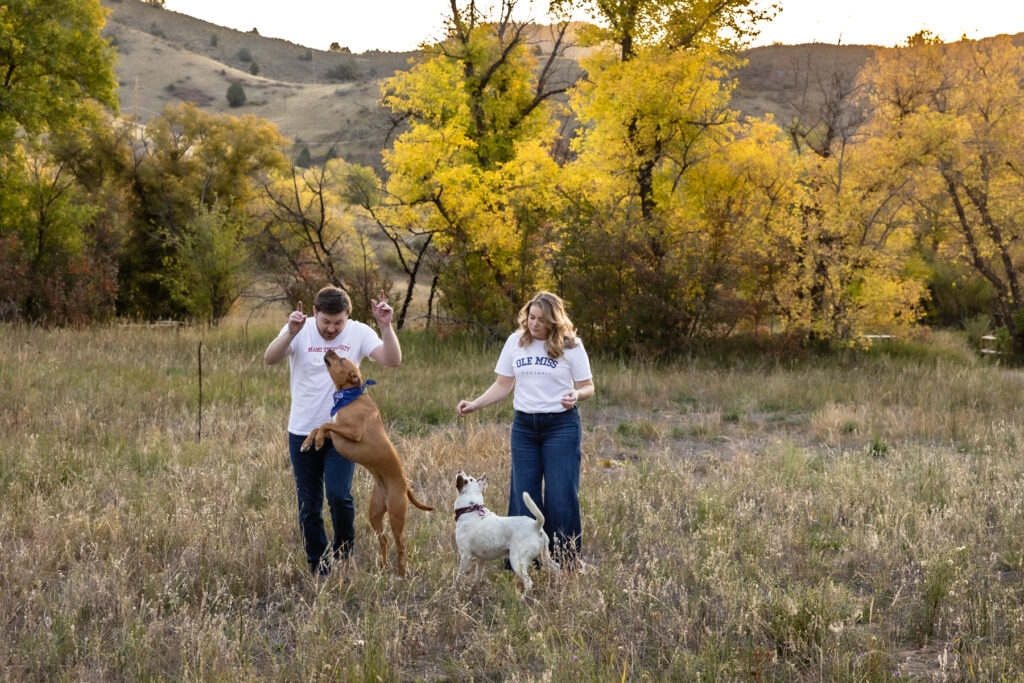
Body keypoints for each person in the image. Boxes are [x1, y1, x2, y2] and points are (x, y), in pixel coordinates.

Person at [264, 286, 402, 577]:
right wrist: (289, 331)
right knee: (309, 504)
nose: (331, 329)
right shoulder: (299, 329)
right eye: (326, 322)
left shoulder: (359, 332)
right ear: (314, 313)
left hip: (342, 433)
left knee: (339, 495)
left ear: (347, 317)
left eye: (338, 323)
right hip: (302, 431)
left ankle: (344, 554)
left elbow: (392, 359)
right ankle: (318, 565)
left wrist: (386, 326)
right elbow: (270, 357)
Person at [455, 292, 595, 569]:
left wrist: (577, 395)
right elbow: (503, 385)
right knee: (523, 494)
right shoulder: (515, 342)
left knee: (560, 495)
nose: (534, 324)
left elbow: (589, 386)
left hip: (561, 427)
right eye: (531, 317)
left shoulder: (571, 345)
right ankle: (522, 562)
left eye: (542, 320)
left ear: (554, 321)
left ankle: (566, 561)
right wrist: (474, 405)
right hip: (525, 429)